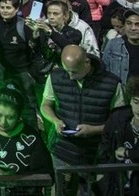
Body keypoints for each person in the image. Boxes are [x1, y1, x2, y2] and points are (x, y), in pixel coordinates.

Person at [41, 45, 124, 192]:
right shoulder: (56, 76)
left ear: (87, 62)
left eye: (75, 72)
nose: (71, 76)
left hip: (97, 154)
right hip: (62, 151)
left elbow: (120, 122)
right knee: (62, 191)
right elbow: (46, 105)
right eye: (67, 71)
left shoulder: (111, 83)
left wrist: (94, 130)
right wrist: (55, 120)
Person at [99, 76, 139, 196]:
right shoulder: (118, 118)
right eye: (136, 102)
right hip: (118, 187)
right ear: (130, 101)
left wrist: (128, 153)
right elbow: (105, 147)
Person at [103, 9, 139, 85]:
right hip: (120, 92)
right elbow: (104, 71)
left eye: (137, 24)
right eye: (129, 23)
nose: (133, 28)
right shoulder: (113, 44)